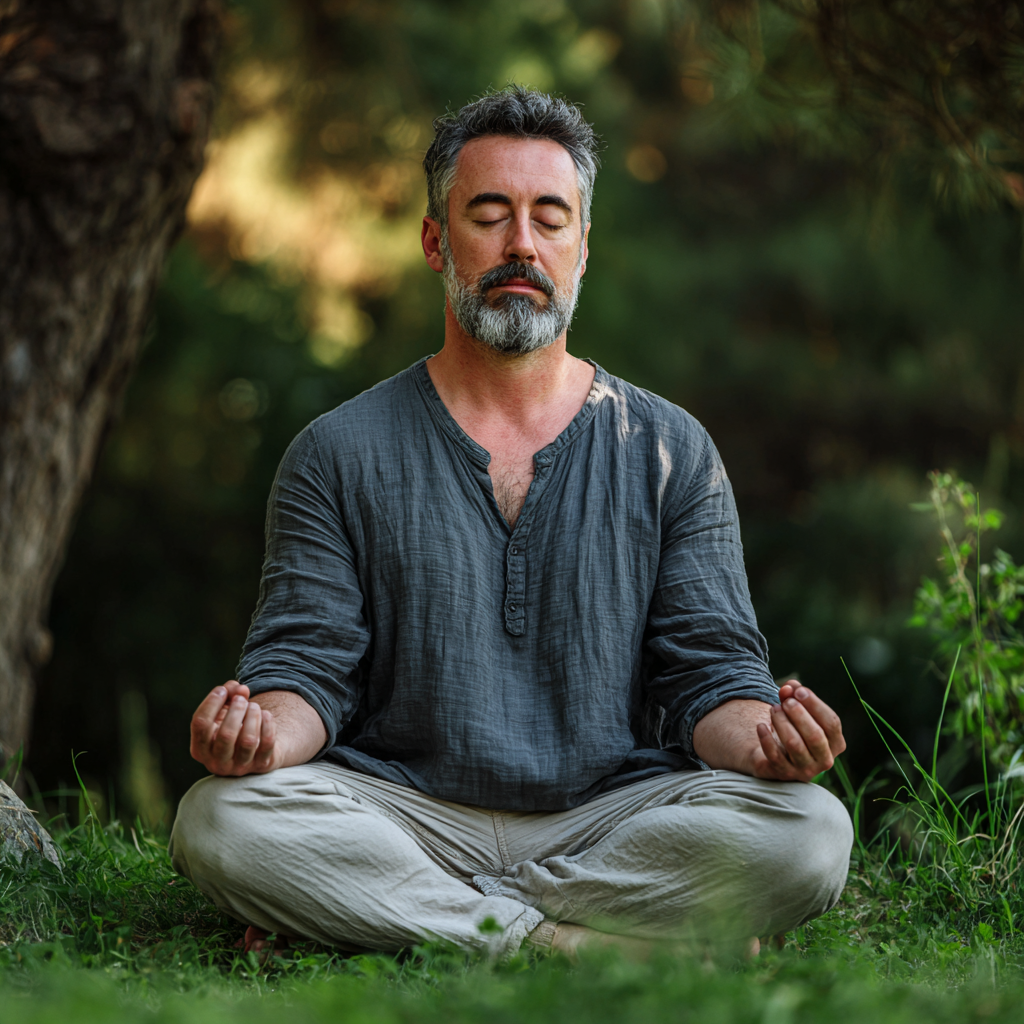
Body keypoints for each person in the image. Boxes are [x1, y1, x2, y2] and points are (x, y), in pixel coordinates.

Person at [169, 87, 853, 962]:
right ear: (435, 240)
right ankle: (572, 948)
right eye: (489, 216)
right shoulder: (335, 451)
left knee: (810, 833)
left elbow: (708, 674)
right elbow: (308, 667)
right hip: (402, 814)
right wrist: (259, 736)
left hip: (608, 819)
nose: (521, 245)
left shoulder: (670, 449)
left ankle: (407, 922)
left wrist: (765, 743)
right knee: (221, 818)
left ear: (582, 246)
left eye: (549, 219)